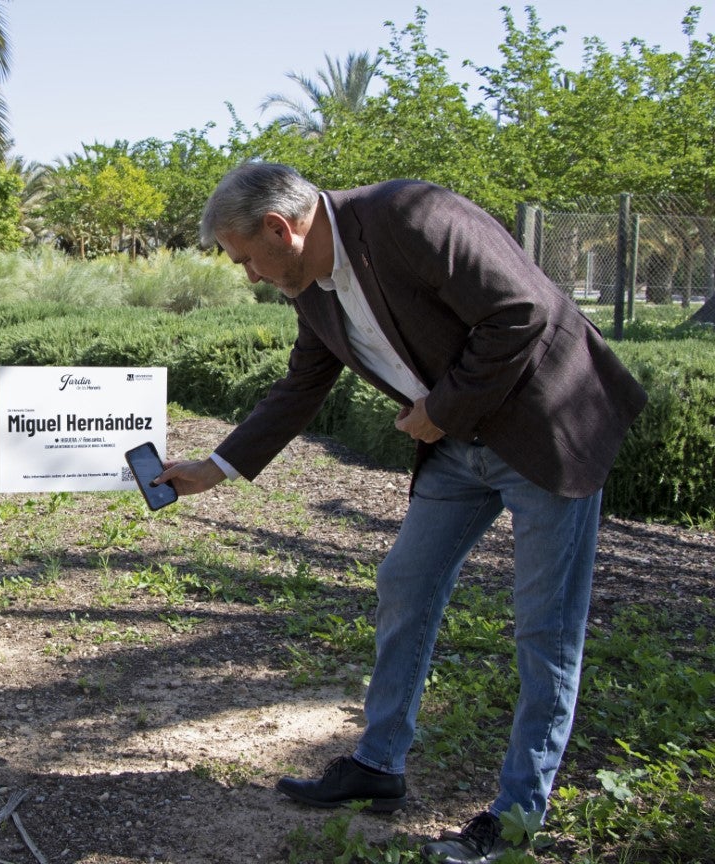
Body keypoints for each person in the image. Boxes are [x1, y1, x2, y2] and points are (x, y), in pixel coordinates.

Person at [156, 163, 646, 864]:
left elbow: (522, 313)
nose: (251, 278)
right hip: (457, 446)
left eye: (246, 260)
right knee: (405, 584)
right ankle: (379, 765)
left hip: (544, 431)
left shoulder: (411, 214)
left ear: (279, 229)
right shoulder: (314, 288)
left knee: (545, 629)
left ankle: (514, 818)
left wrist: (439, 410)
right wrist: (217, 467)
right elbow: (301, 386)